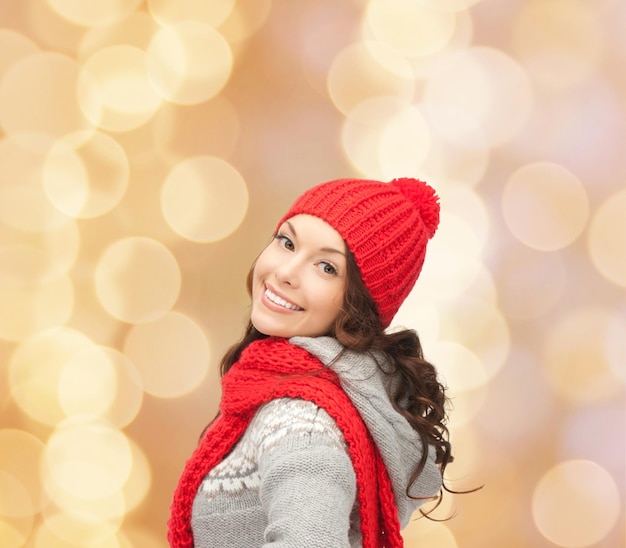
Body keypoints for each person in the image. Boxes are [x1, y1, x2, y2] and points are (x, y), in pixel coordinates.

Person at [168, 177, 454, 547]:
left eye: (326, 267)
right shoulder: (296, 392)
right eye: (287, 243)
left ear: (359, 306)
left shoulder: (302, 423)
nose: (286, 272)